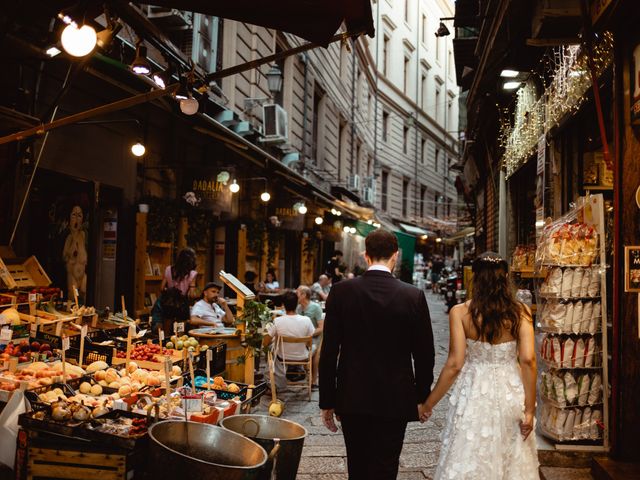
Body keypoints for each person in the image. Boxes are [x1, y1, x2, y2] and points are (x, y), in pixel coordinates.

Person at [319, 229, 435, 480]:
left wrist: (327, 400)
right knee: (386, 465)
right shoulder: (412, 296)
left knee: (357, 465)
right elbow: (425, 354)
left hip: (352, 395)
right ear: (395, 255)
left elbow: (328, 351)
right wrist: (422, 397)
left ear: (365, 256)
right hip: (396, 396)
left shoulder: (341, 292)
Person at [420, 252, 538, 479]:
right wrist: (530, 410)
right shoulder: (520, 312)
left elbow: (454, 364)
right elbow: (528, 360)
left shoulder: (460, 312)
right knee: (511, 454)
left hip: (473, 390)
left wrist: (428, 404)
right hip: (509, 390)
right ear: (505, 279)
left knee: (468, 449)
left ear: (475, 278)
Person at [263, 290, 315, 390]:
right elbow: (309, 342)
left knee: (270, 348)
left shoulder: (278, 321)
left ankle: (275, 378)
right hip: (303, 357)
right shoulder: (306, 320)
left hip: (283, 357)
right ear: (297, 303)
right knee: (315, 347)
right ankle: (312, 379)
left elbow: (265, 342)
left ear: (283, 305)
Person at [152, 248, 198, 333]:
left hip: (169, 303)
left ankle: (165, 342)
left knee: (166, 329)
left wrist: (170, 290)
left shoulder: (169, 269)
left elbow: (162, 288)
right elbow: (192, 295)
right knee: (180, 330)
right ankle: (178, 341)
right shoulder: (192, 274)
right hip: (182, 305)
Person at [296, 285, 324, 387]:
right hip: (300, 338)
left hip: (315, 336)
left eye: (297, 293)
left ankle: (314, 379)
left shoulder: (315, 307)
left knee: (315, 352)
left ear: (303, 295)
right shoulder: (298, 308)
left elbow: (321, 328)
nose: (296, 296)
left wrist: (309, 335)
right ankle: (298, 370)